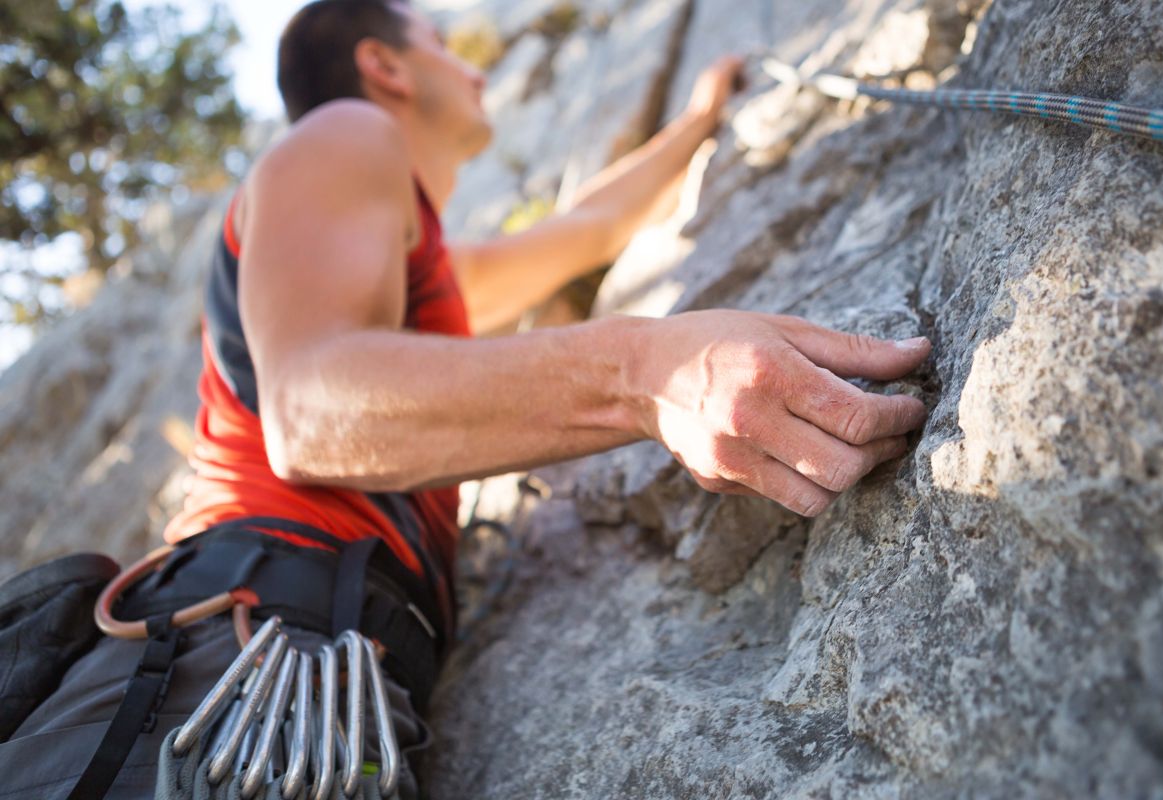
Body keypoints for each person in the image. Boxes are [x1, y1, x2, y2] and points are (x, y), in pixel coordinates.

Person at [0, 0, 930, 797]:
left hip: (305, 676)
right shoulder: (345, 132)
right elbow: (304, 410)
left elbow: (590, 227)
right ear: (383, 66)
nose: (470, 65)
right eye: (440, 39)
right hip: (234, 648)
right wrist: (645, 370)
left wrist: (697, 119)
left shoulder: (415, 277)